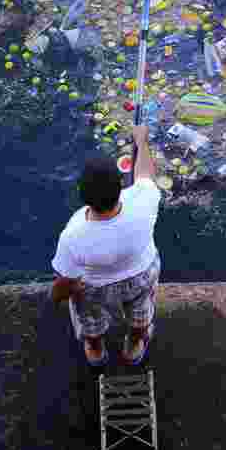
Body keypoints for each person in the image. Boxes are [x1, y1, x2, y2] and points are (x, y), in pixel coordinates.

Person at [50, 125, 162, 367]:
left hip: (94, 286)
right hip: (141, 274)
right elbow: (146, 175)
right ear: (120, 186)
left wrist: (55, 297)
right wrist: (141, 141)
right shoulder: (143, 201)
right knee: (141, 313)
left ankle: (96, 350)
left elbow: (65, 279)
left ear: (83, 195)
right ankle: (133, 347)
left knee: (89, 318)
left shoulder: (73, 233)